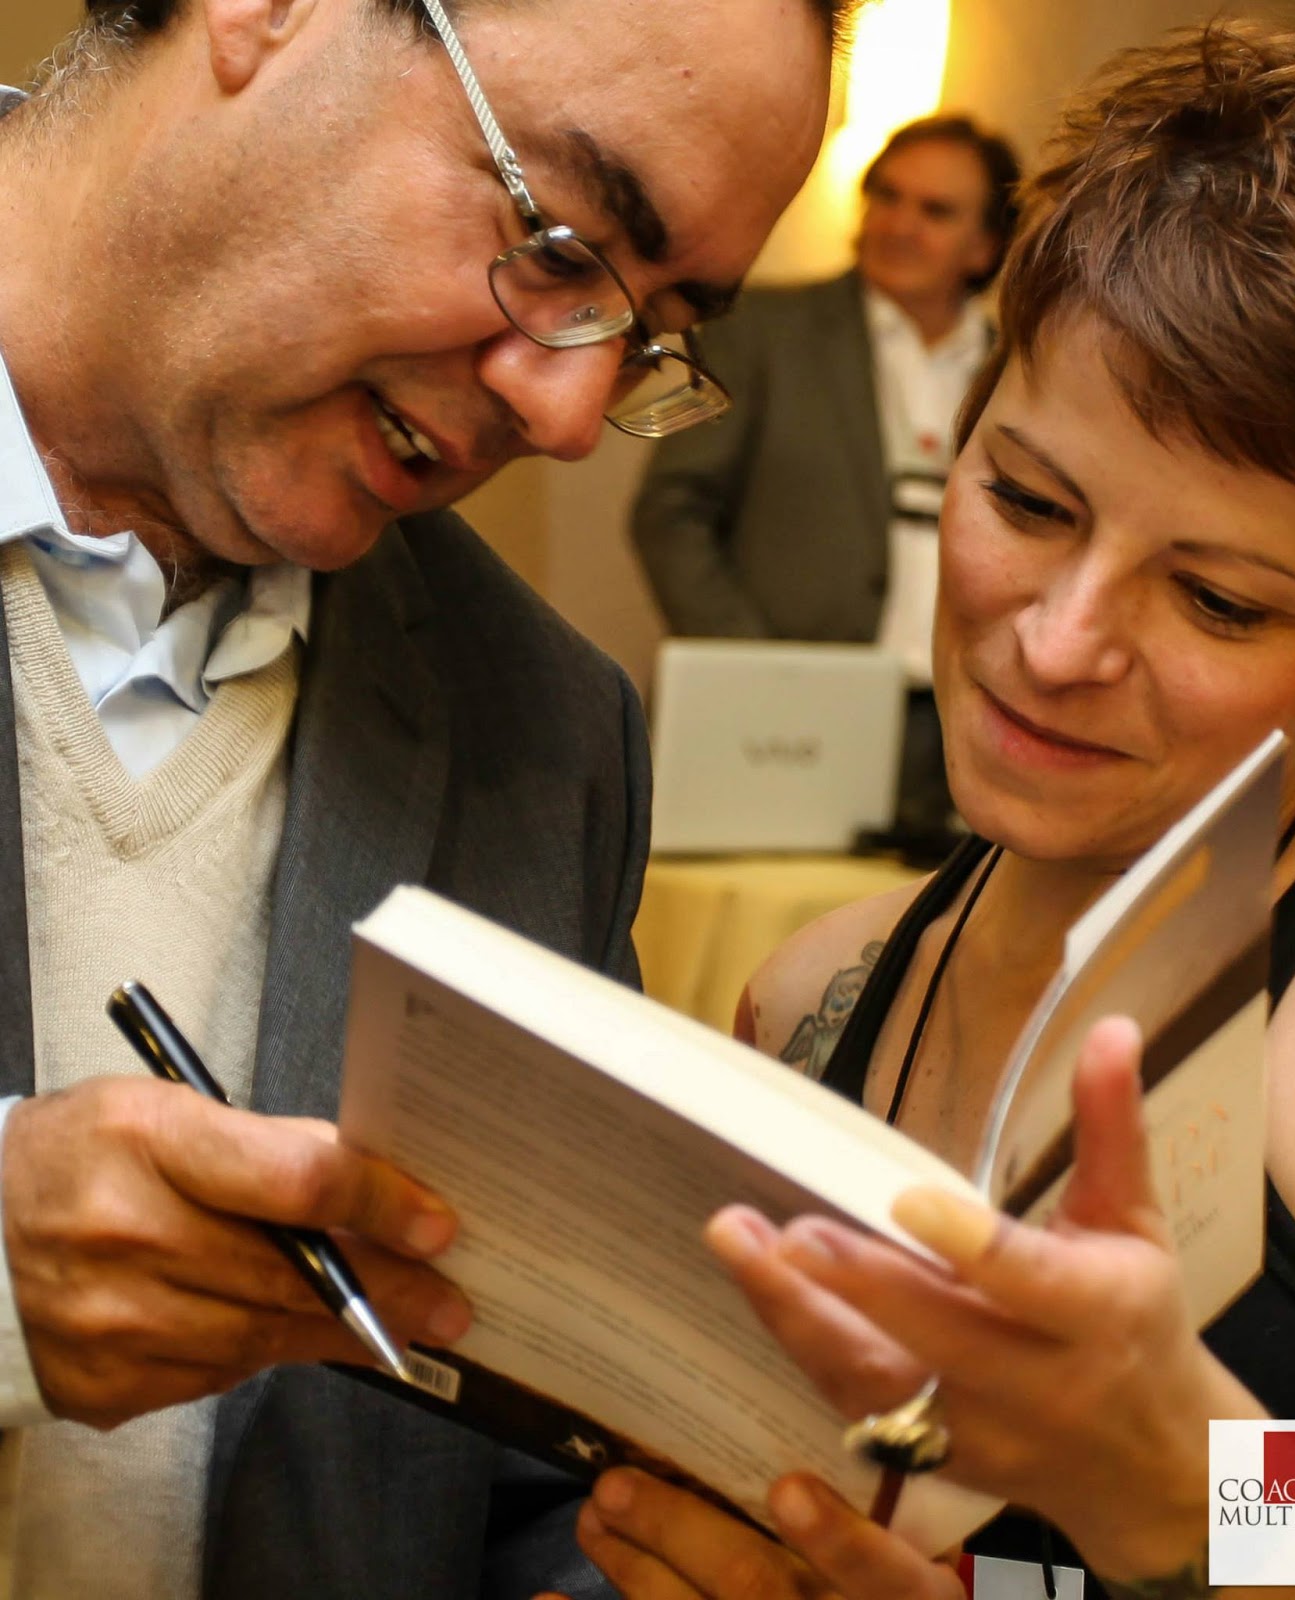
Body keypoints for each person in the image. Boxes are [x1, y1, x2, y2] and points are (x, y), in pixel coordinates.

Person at [548, 23, 1295, 1600]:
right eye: (1026, 501)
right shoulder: (819, 993)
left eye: (1219, 601)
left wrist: (1191, 1489)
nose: (1060, 642)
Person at [0, 0, 856, 1593]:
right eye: (562, 242)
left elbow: (522, 1481)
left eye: (653, 333)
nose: (572, 417)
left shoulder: (542, 732)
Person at [631, 114, 1020, 835]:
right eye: (887, 196)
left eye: (935, 211)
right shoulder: (763, 330)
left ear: (985, 245)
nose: (899, 224)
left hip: (955, 722)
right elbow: (670, 512)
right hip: (786, 720)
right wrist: (758, 672)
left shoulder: (1020, 370)